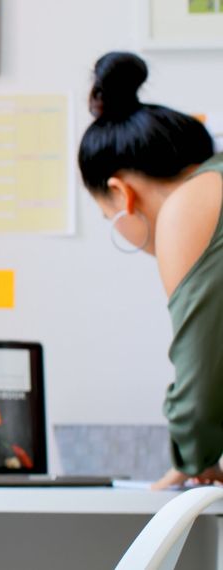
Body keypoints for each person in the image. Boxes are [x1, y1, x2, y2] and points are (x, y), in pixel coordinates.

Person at [77, 51, 223, 490]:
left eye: (109, 219)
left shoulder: (189, 205)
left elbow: (200, 370)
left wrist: (191, 456)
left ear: (123, 195)